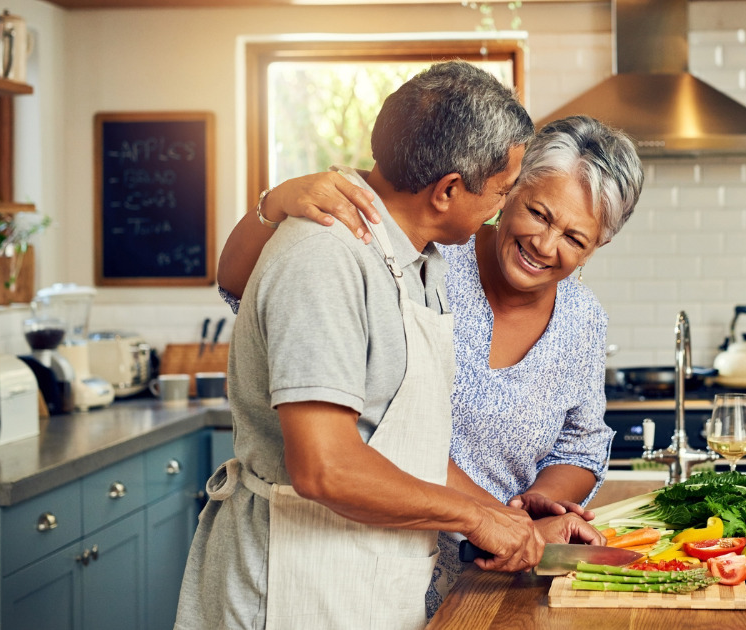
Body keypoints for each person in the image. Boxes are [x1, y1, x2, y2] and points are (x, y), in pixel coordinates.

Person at [175, 61, 592, 630]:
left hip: (366, 580)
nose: (500, 211)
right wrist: (473, 518)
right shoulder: (324, 258)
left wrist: (513, 522)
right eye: (499, 194)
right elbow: (325, 468)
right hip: (293, 585)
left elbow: (402, 446)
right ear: (447, 190)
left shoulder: (421, 264)